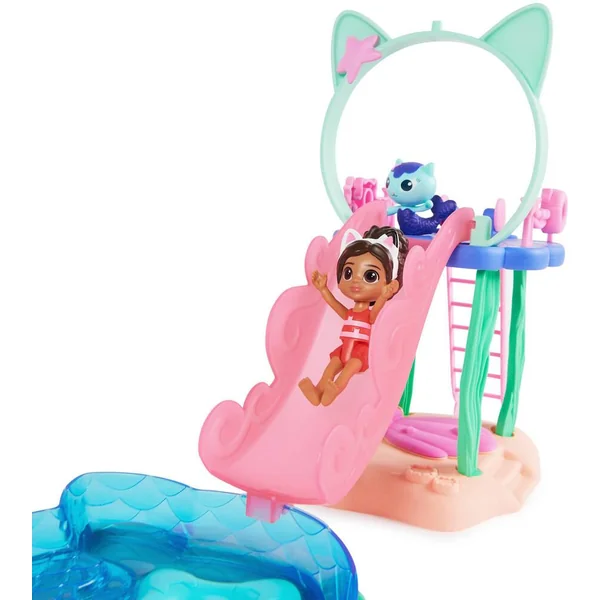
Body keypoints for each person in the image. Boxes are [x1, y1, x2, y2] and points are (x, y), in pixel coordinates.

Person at [299, 225, 409, 406]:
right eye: (348, 273)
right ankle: (317, 391)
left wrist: (384, 296)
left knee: (348, 371)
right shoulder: (350, 313)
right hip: (344, 348)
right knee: (331, 367)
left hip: (360, 351)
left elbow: (375, 313)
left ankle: (335, 390)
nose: (356, 280)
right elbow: (335, 305)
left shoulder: (369, 314)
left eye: (370, 275)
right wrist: (323, 289)